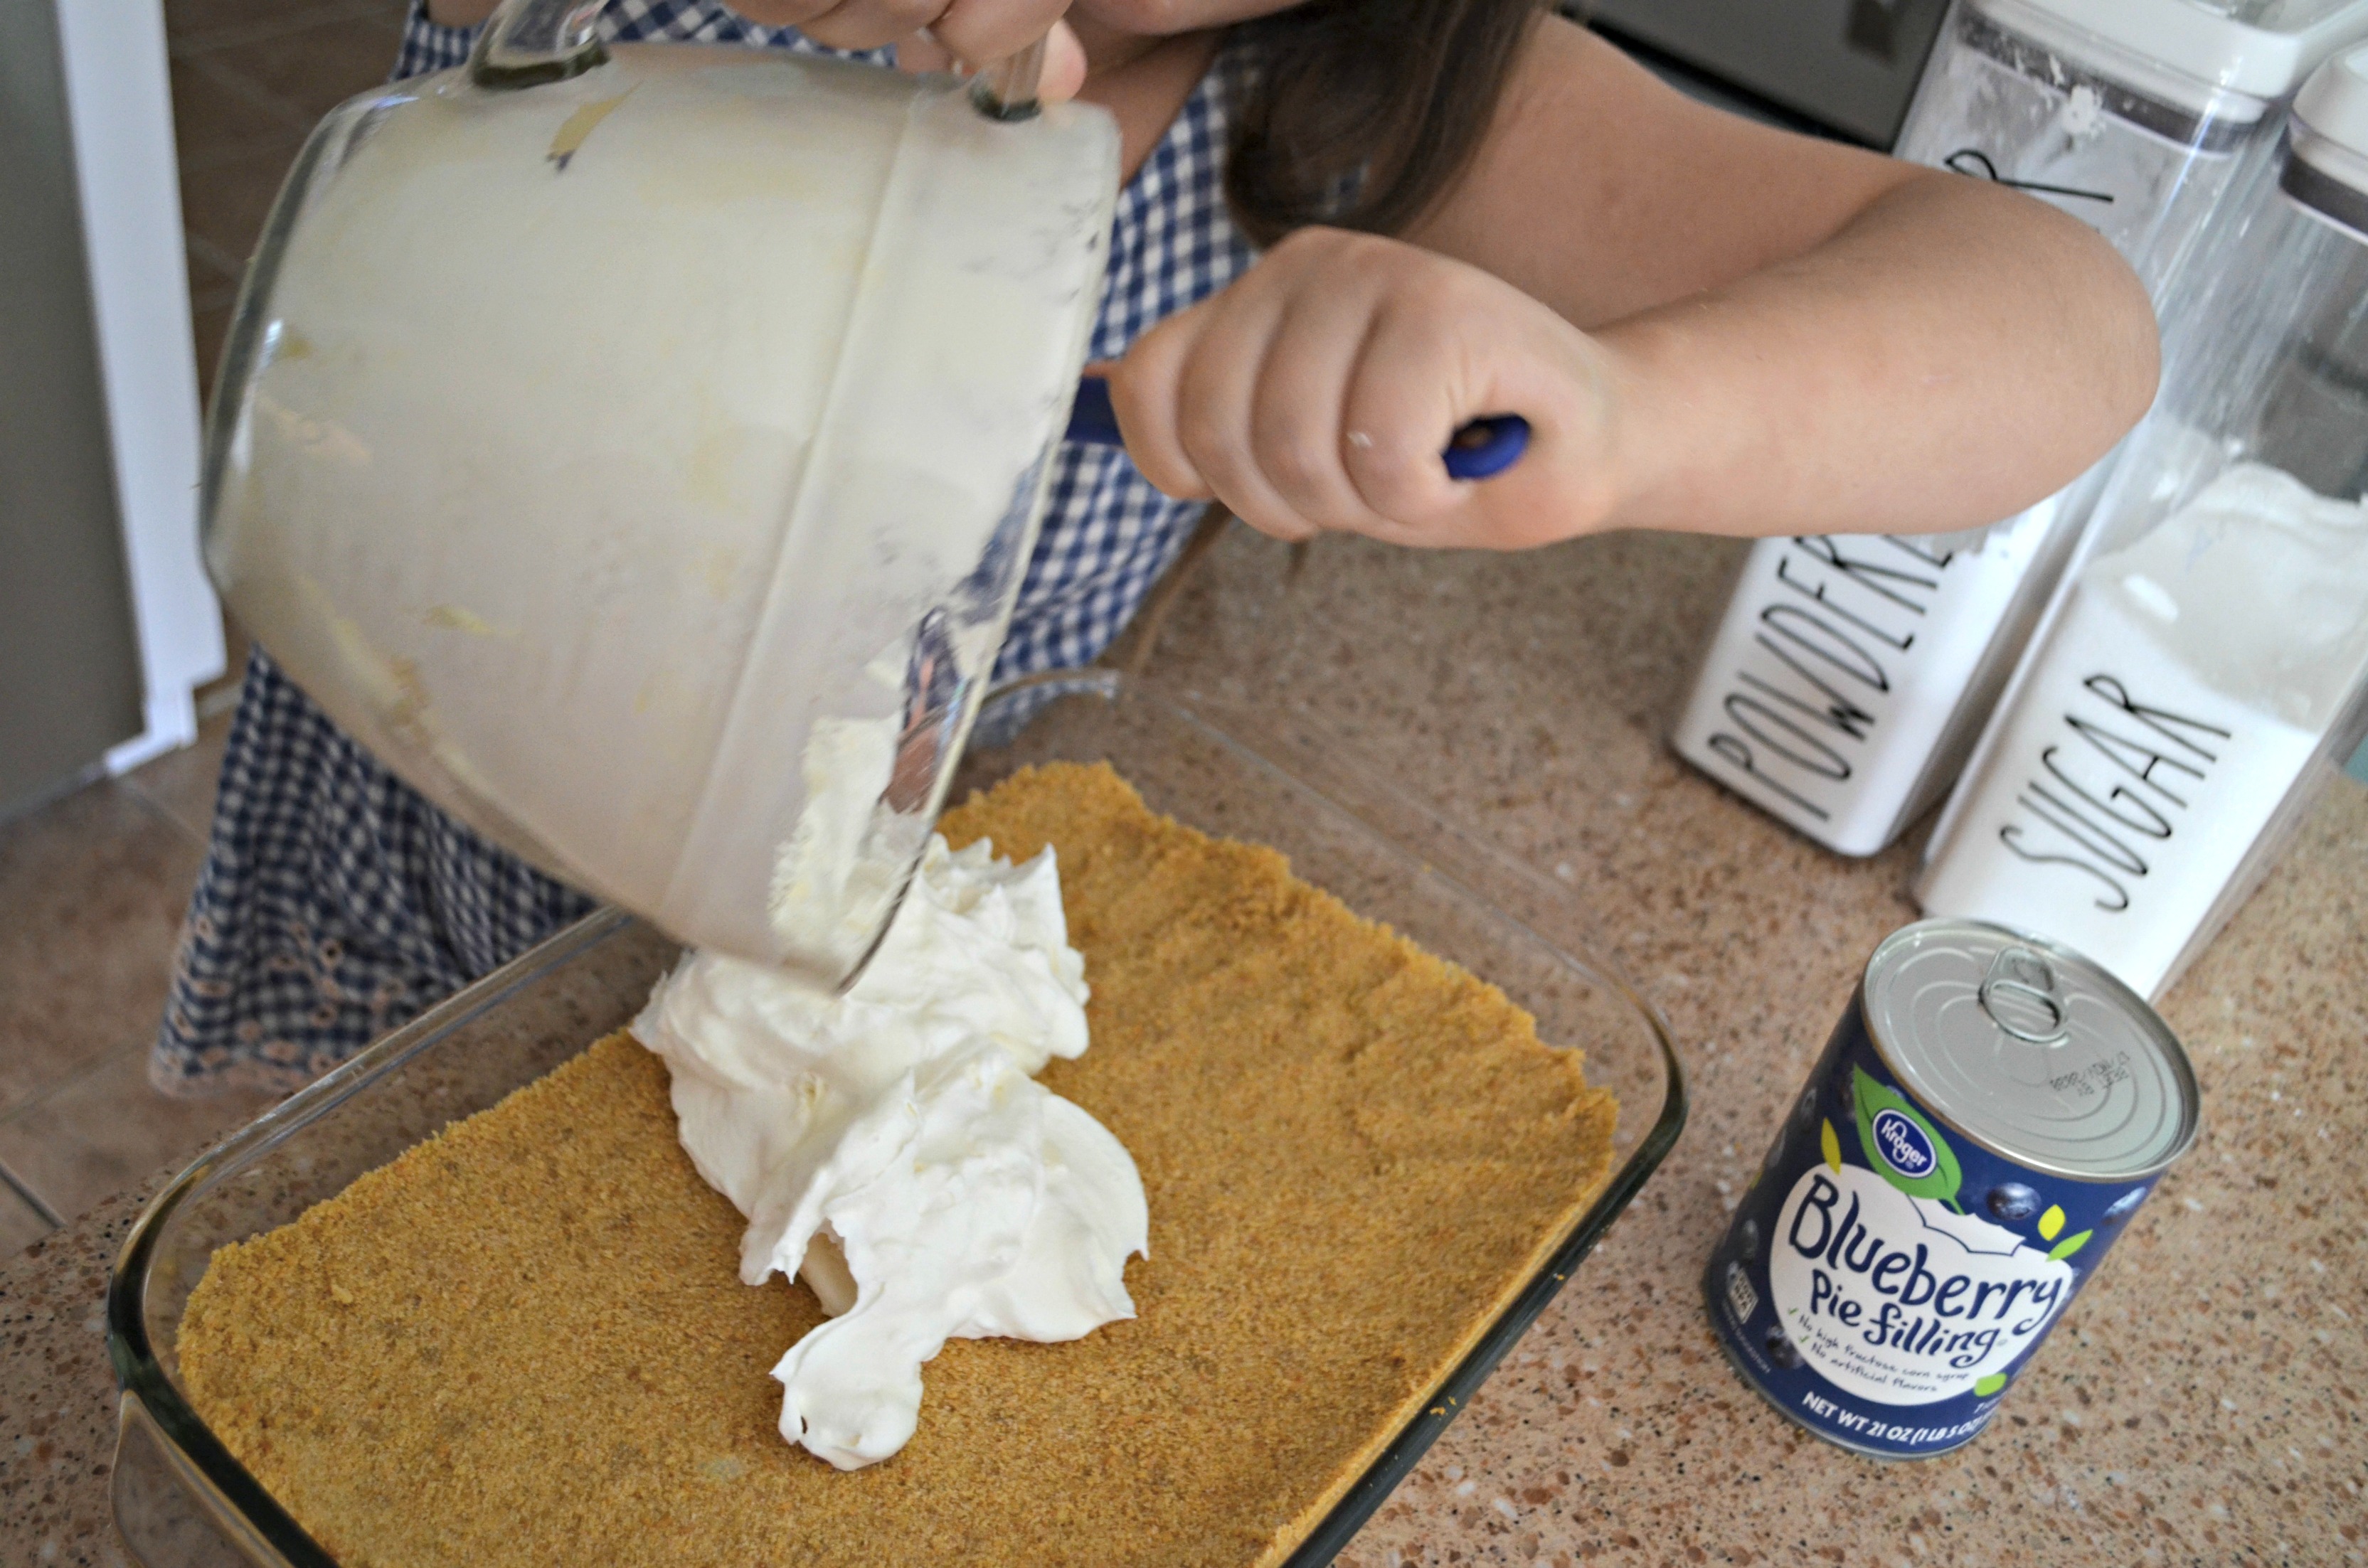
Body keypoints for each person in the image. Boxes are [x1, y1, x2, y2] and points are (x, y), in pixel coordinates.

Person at [152, 0, 2157, 1097]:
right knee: (407, 1156)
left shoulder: (1391, 89)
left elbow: (2064, 328)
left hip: (839, 899)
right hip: (457, 759)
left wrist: (1633, 415)